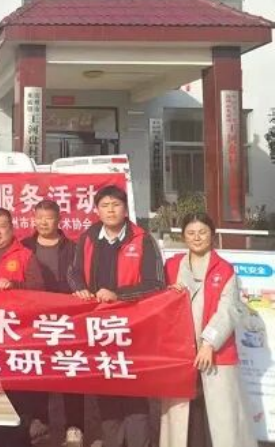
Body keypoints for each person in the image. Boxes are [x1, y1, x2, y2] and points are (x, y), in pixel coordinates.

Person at [67, 185, 165, 447]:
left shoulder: (143, 239)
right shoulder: (88, 237)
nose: (110, 210)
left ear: (125, 209)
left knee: (134, 393)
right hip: (98, 326)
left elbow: (156, 284)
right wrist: (79, 288)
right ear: (97, 210)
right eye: (105, 205)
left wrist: (118, 295)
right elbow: (73, 271)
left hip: (132, 327)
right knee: (107, 390)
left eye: (116, 205)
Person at [159, 213, 257, 447]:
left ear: (212, 235)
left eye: (202, 232)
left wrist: (209, 343)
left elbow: (229, 310)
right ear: (183, 237)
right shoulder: (171, 266)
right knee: (182, 415)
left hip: (215, 352)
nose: (197, 237)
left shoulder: (224, 269)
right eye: (191, 233)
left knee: (220, 416)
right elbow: (157, 304)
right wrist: (168, 295)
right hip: (179, 352)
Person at [0, 208, 43, 447]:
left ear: (11, 229)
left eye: (1, 226)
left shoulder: (25, 255)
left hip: (17, 333)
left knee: (17, 390)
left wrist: (15, 285)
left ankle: (18, 438)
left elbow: (40, 292)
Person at [22, 200, 85, 447]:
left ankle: (74, 427)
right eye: (39, 217)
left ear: (59, 220)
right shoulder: (24, 246)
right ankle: (40, 421)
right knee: (36, 369)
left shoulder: (73, 248)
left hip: (67, 319)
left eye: (48, 218)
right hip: (34, 319)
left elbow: (81, 278)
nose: (43, 222)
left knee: (70, 371)